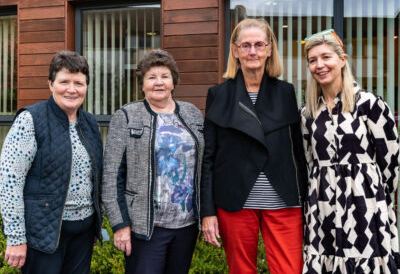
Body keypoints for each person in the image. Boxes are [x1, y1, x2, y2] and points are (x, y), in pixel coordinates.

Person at [200, 18, 307, 274]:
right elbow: (209, 157)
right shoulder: (219, 94)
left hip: (284, 199)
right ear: (235, 51)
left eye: (259, 45)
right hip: (235, 198)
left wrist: (306, 199)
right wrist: (207, 211)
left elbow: (297, 152)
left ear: (270, 49)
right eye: (245, 45)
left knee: (289, 270)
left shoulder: (286, 92)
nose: (253, 52)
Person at [301, 29, 400, 273]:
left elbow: (391, 160)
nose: (319, 65)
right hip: (321, 203)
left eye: (326, 57)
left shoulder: (370, 104)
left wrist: (379, 197)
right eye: (313, 60)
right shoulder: (308, 113)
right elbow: (307, 159)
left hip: (364, 202)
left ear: (342, 60)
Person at [102, 49, 204, 274]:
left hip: (186, 226)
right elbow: (110, 176)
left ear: (173, 82)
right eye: (151, 77)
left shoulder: (192, 114)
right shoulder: (127, 116)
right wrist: (120, 225)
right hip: (145, 228)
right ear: (142, 84)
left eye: (165, 76)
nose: (159, 83)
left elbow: (204, 166)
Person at [0, 50, 103, 273]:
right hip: (43, 233)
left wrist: (96, 225)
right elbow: (10, 181)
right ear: (51, 84)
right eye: (64, 81)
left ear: (86, 86)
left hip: (83, 234)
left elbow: (95, 177)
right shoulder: (30, 120)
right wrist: (16, 237)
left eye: (79, 82)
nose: (72, 89)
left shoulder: (90, 123)